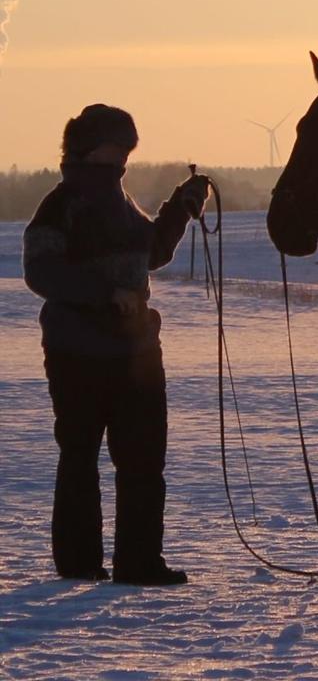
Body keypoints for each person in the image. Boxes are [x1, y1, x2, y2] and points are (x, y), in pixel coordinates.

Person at [22, 104, 209, 585]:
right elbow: (41, 271)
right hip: (76, 352)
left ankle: (139, 563)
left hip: (137, 353)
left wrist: (180, 208)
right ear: (88, 148)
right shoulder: (61, 204)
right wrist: (106, 294)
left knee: (144, 461)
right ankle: (79, 564)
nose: (125, 153)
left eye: (128, 146)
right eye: (118, 144)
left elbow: (151, 252)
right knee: (80, 457)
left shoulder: (120, 200)